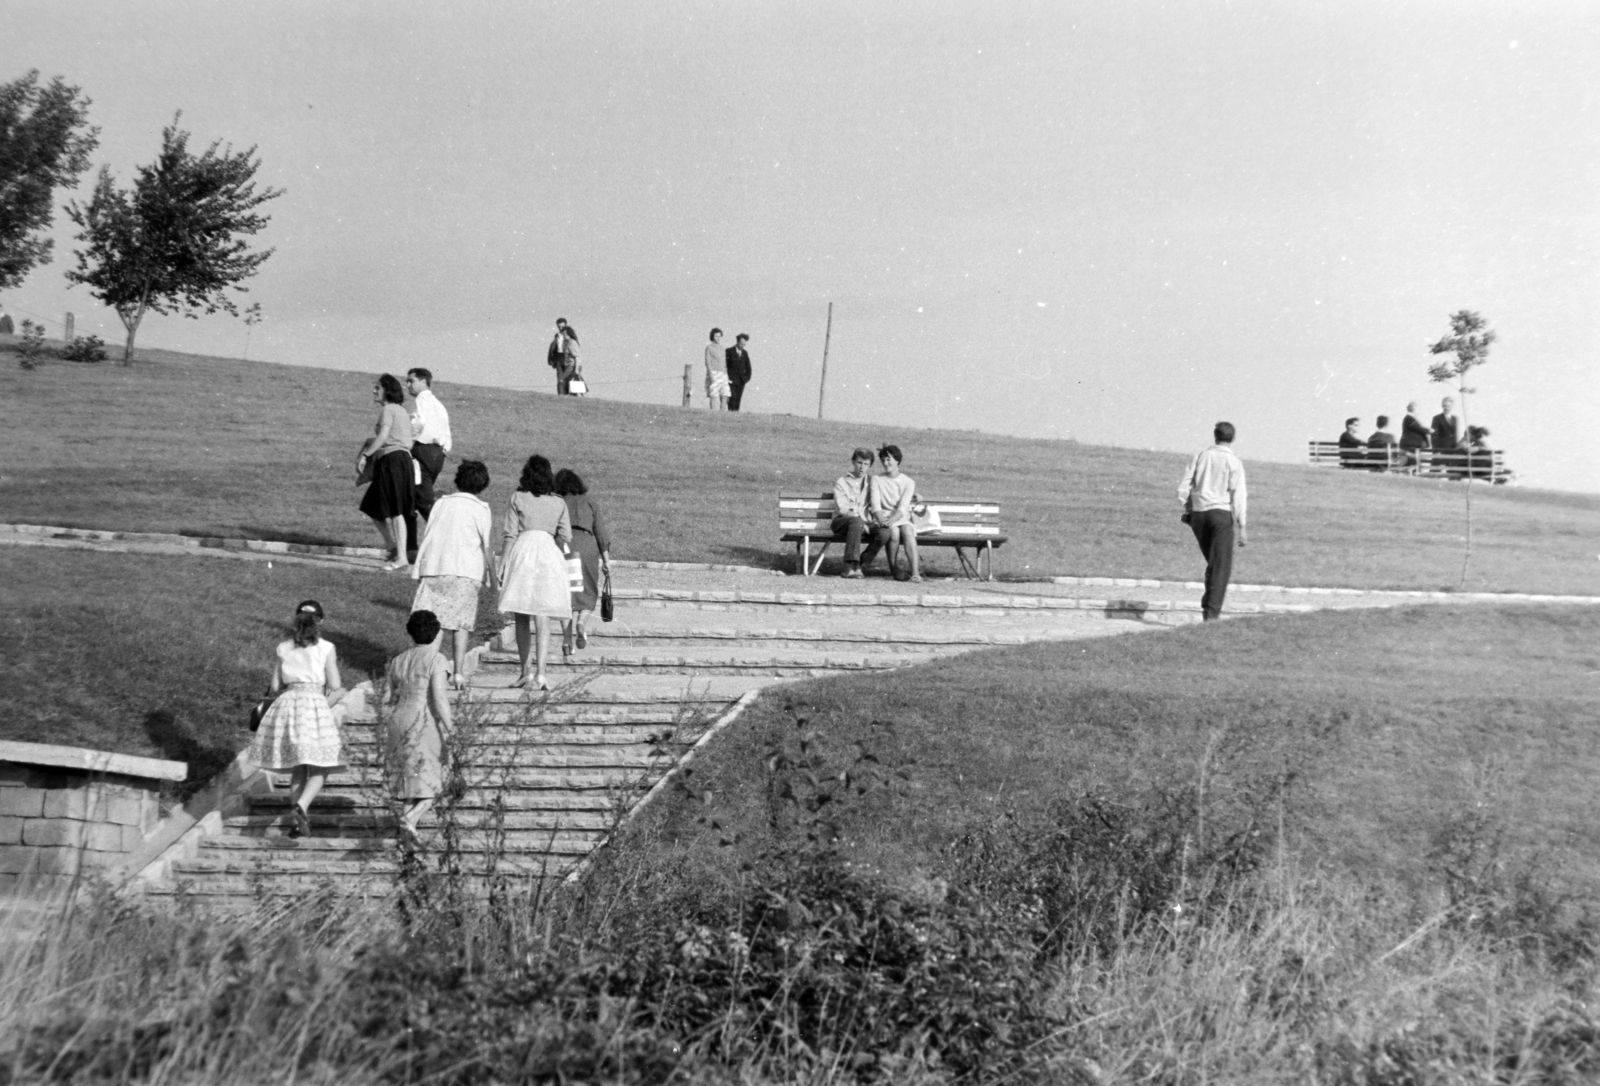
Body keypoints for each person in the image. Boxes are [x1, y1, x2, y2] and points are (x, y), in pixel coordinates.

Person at [249, 600, 346, 839]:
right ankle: (302, 804)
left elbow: (275, 685)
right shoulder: (326, 647)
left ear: (296, 619)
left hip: (288, 706)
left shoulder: (283, 648)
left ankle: (295, 822)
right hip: (313, 706)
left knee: (299, 767)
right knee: (323, 764)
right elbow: (335, 684)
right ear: (320, 621)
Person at [412, 459, 496, 690]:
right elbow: (486, 545)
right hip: (467, 571)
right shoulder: (481, 509)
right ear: (483, 484)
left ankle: (426, 670)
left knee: (435, 621)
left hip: (436, 567)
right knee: (461, 624)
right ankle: (458, 673)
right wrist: (492, 577)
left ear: (458, 480)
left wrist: (420, 568)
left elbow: (429, 534)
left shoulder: (442, 503)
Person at [497, 454, 573, 690]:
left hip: (523, 551)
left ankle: (525, 672)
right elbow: (566, 536)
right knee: (543, 615)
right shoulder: (558, 502)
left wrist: (503, 562)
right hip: (549, 553)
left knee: (521, 614)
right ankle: (541, 674)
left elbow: (510, 534)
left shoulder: (518, 497)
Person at [383, 609, 454, 848]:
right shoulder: (437, 659)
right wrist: (452, 729)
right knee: (434, 780)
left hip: (397, 720)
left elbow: (387, 697)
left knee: (410, 782)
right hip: (422, 721)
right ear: (435, 633)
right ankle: (408, 819)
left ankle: (406, 838)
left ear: (411, 633)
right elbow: (439, 698)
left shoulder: (398, 660)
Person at [1178, 422, 1249, 622]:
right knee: (1221, 565)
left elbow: (1184, 486)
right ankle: (1211, 616)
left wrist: (1187, 507)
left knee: (1213, 563)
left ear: (1215, 436)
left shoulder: (1200, 456)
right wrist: (1242, 526)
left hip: (1199, 515)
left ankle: (1208, 609)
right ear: (1232, 438)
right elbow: (1239, 495)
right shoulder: (1234, 462)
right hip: (1220, 515)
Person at [357, 374, 416, 571]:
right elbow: (408, 442)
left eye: (378, 388)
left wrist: (366, 455)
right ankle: (392, 547)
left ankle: (401, 558)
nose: (374, 391)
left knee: (396, 511)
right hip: (400, 461)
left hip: (393, 461)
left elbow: (383, 436)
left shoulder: (388, 410)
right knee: (371, 505)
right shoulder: (401, 411)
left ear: (387, 390)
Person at [554, 468, 612, 656]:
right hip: (587, 546)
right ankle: (581, 622)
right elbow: (601, 534)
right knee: (588, 590)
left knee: (565, 593)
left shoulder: (557, 502)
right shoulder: (590, 503)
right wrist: (606, 560)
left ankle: (566, 640)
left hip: (565, 545)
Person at [405, 367, 453, 555]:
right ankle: (410, 548)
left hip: (421, 453)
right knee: (412, 498)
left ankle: (448, 542)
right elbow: (446, 433)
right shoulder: (439, 405)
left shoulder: (420, 402)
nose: (408, 385)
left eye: (411, 381)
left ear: (423, 381)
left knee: (421, 499)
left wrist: (408, 443)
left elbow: (416, 424)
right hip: (437, 455)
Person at [866, 444, 920, 582]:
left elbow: (903, 507)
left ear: (897, 460)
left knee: (907, 530)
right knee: (894, 532)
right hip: (882, 517)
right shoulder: (877, 479)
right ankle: (894, 568)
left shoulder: (908, 482)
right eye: (883, 460)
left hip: (900, 517)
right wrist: (883, 520)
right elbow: (875, 505)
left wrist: (892, 520)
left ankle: (915, 573)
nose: (885, 463)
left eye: (888, 459)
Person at [832, 447, 875, 578]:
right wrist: (861, 522)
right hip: (842, 521)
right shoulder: (842, 482)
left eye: (866, 464)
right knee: (856, 522)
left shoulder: (872, 482)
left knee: (885, 532)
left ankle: (861, 562)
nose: (862, 467)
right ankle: (848, 566)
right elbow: (843, 509)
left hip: (863, 522)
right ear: (853, 462)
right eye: (859, 463)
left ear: (870, 466)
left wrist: (914, 496)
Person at [548, 318, 581, 396]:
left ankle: (570, 395)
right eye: (558, 327)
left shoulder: (569, 336)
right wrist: (552, 359)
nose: (560, 328)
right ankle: (561, 396)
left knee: (568, 378)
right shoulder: (557, 336)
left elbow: (576, 350)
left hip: (568, 358)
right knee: (560, 378)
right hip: (559, 358)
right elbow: (553, 348)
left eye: (562, 326)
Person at [726, 333, 753, 411]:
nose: (742, 346)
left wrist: (746, 378)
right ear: (737, 341)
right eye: (741, 344)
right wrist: (727, 378)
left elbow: (748, 367)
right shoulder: (729, 351)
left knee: (738, 400)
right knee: (731, 399)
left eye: (744, 344)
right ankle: (731, 415)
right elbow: (725, 366)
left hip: (741, 381)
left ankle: (736, 415)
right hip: (731, 380)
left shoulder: (745, 353)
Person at [704, 328, 730, 410]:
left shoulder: (722, 348)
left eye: (720, 336)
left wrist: (726, 374)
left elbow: (724, 362)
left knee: (725, 393)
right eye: (716, 336)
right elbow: (708, 361)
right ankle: (713, 412)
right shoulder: (709, 347)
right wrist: (710, 374)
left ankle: (722, 412)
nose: (718, 338)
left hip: (723, 373)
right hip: (714, 373)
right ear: (712, 337)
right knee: (714, 394)